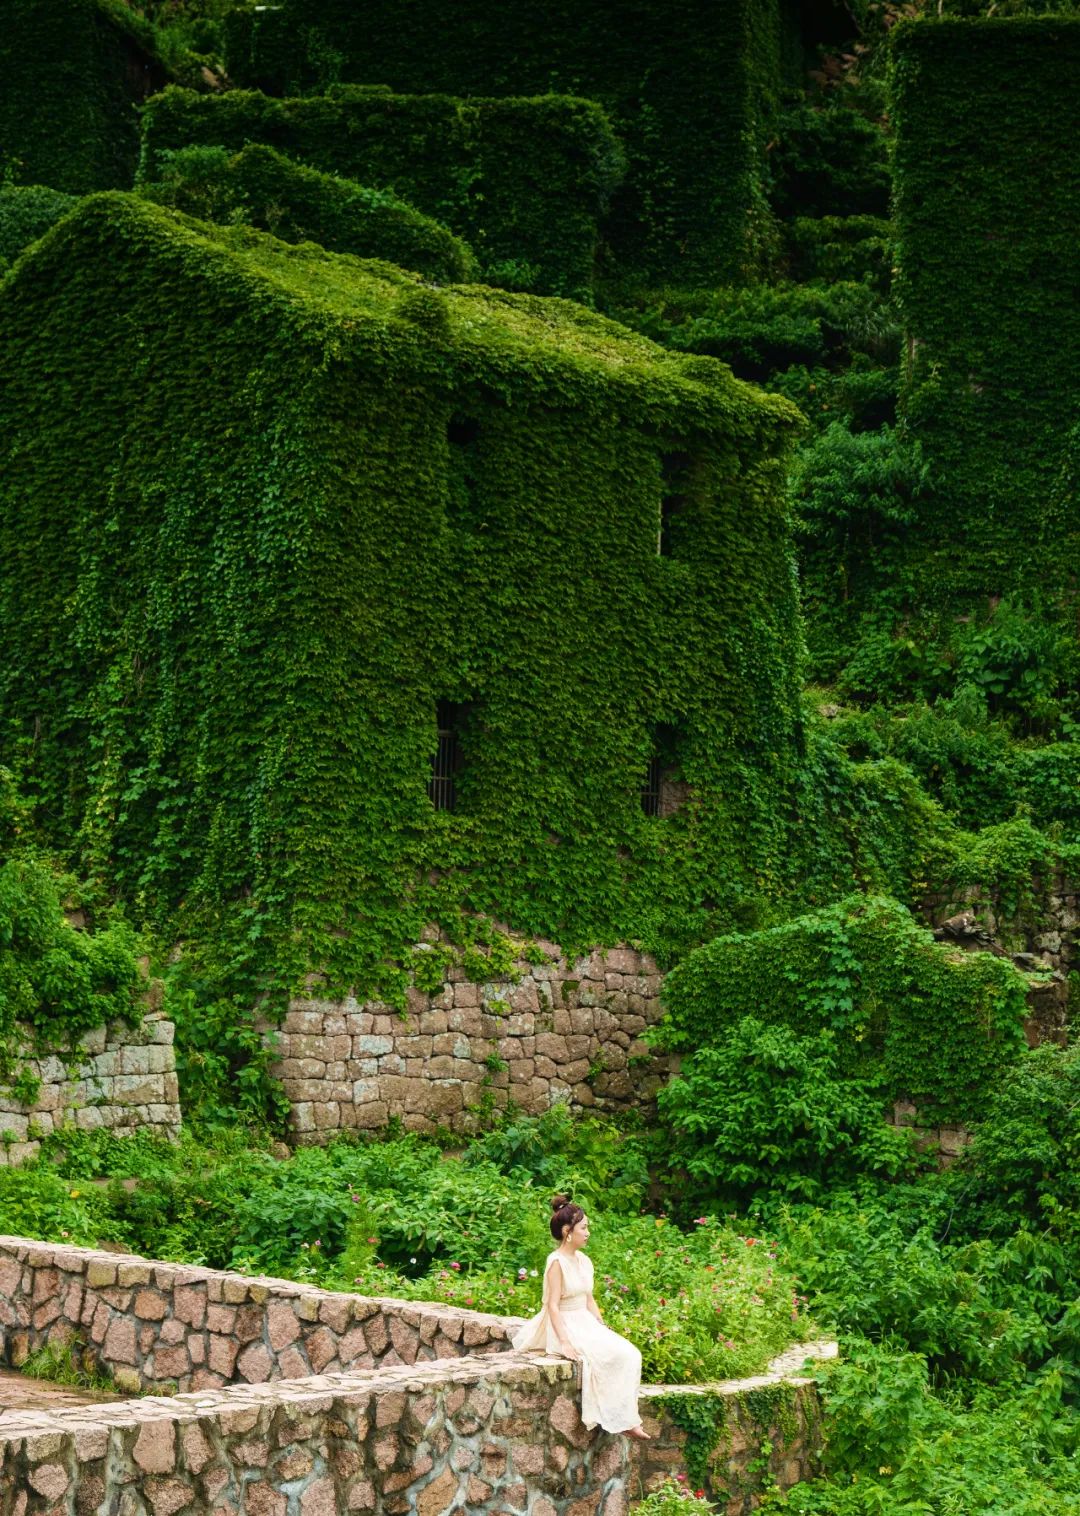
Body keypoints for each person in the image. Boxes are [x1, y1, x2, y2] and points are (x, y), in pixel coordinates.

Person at [511, 1195, 650, 1439]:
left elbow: (589, 1298)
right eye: (583, 1228)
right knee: (605, 1358)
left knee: (630, 1353)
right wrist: (564, 1342)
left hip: (584, 1320)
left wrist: (601, 1324)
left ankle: (624, 1418)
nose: (587, 1233)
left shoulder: (584, 1260)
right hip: (565, 1322)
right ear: (567, 1231)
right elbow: (552, 1305)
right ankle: (622, 1421)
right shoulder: (555, 1262)